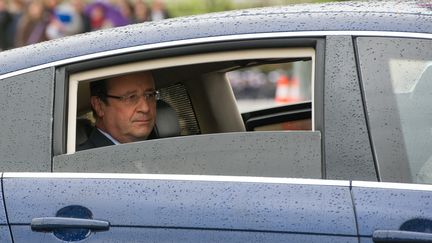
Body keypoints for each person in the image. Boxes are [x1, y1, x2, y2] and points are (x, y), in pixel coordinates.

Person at [77, 71, 159, 151]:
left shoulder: (164, 149)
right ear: (99, 106)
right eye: (131, 97)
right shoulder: (82, 161)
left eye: (149, 95)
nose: (145, 108)